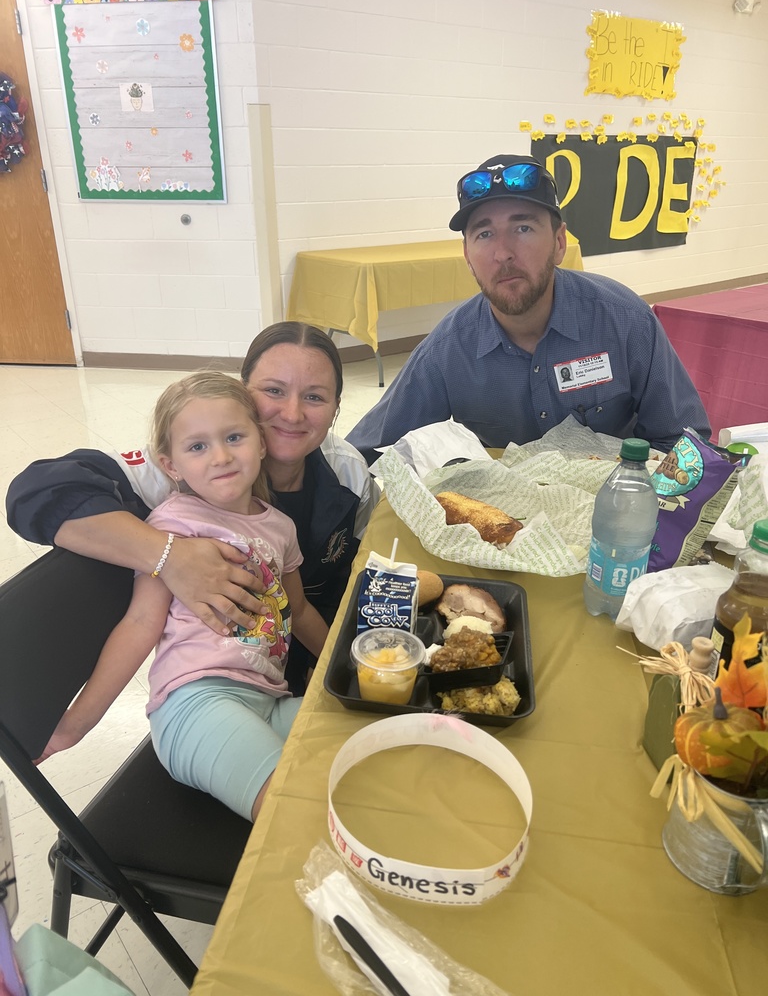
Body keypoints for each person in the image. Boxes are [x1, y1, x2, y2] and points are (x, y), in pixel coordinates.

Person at [6, 323, 379, 695]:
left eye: (315, 397)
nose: (293, 414)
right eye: (273, 391)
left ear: (336, 409)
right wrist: (170, 555)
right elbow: (36, 492)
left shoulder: (347, 472)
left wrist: (336, 665)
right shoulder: (179, 471)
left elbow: (353, 578)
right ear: (243, 393)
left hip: (303, 664)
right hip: (214, 682)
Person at [37, 372, 328, 821]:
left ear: (262, 441)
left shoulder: (280, 527)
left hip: (270, 701)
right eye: (197, 446)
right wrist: (74, 726)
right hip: (197, 705)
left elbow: (300, 609)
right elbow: (139, 626)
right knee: (295, 812)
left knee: (361, 750)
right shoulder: (172, 524)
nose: (221, 456)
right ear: (170, 465)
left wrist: (343, 664)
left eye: (234, 436)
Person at [346, 154, 710, 463]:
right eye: (484, 234)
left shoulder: (626, 322)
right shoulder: (448, 349)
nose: (502, 252)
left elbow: (685, 443)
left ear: (559, 242)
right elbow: (368, 451)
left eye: (522, 228)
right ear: (467, 257)